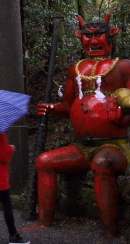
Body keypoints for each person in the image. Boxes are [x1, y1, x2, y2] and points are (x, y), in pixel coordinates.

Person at [36, 14, 130, 239]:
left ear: (111, 37)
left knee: (102, 163)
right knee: (44, 161)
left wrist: (125, 115)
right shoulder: (76, 69)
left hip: (114, 146)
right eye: (87, 37)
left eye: (98, 36)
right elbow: (68, 107)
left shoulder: (124, 66)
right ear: (81, 39)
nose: (93, 41)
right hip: (81, 146)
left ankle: (110, 231)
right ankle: (44, 222)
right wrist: (51, 108)